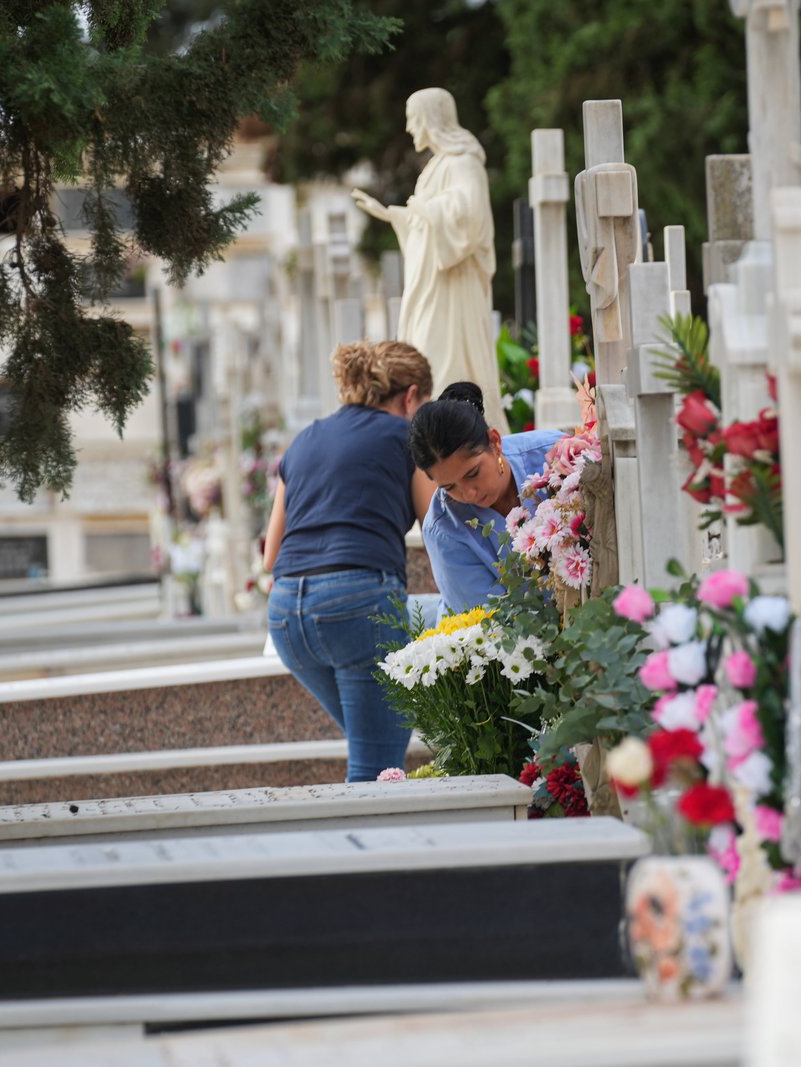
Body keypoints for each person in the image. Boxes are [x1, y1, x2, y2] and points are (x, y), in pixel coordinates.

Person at [262, 341, 436, 783]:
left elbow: (270, 556)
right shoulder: (406, 437)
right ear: (411, 397)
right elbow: (436, 531)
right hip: (358, 604)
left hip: (286, 615)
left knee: (375, 748)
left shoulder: (304, 440)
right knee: (377, 766)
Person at [351, 88, 505, 425]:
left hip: (452, 285)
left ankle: (452, 428)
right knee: (423, 351)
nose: (409, 128)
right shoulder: (435, 167)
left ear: (432, 120)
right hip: (429, 281)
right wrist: (391, 214)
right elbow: (423, 220)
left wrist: (428, 209)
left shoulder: (464, 163)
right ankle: (429, 430)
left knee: (442, 355)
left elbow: (472, 215)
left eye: (413, 119)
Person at [409, 382, 564, 613]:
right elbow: (491, 622)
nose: (468, 493)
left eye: (472, 473)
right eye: (449, 487)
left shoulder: (554, 455)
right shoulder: (443, 529)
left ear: (495, 441)